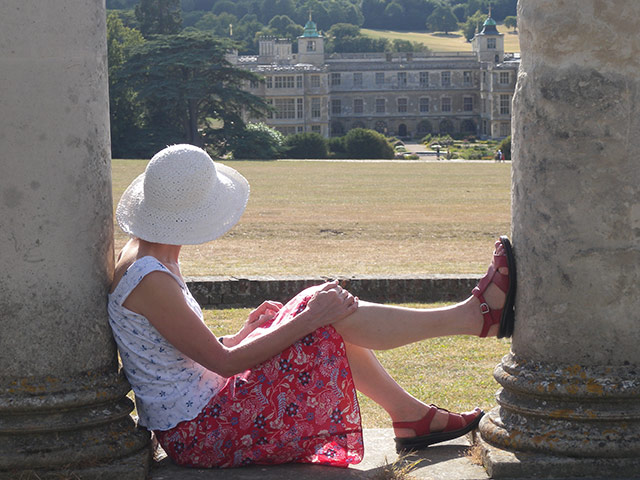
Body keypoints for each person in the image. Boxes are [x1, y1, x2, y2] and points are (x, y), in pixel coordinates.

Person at [108, 144, 516, 469]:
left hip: (205, 411)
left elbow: (163, 355)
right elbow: (225, 364)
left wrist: (243, 332)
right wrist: (310, 318)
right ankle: (473, 319)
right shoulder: (151, 278)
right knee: (321, 313)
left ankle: (414, 412)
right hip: (204, 432)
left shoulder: (147, 254)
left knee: (319, 306)